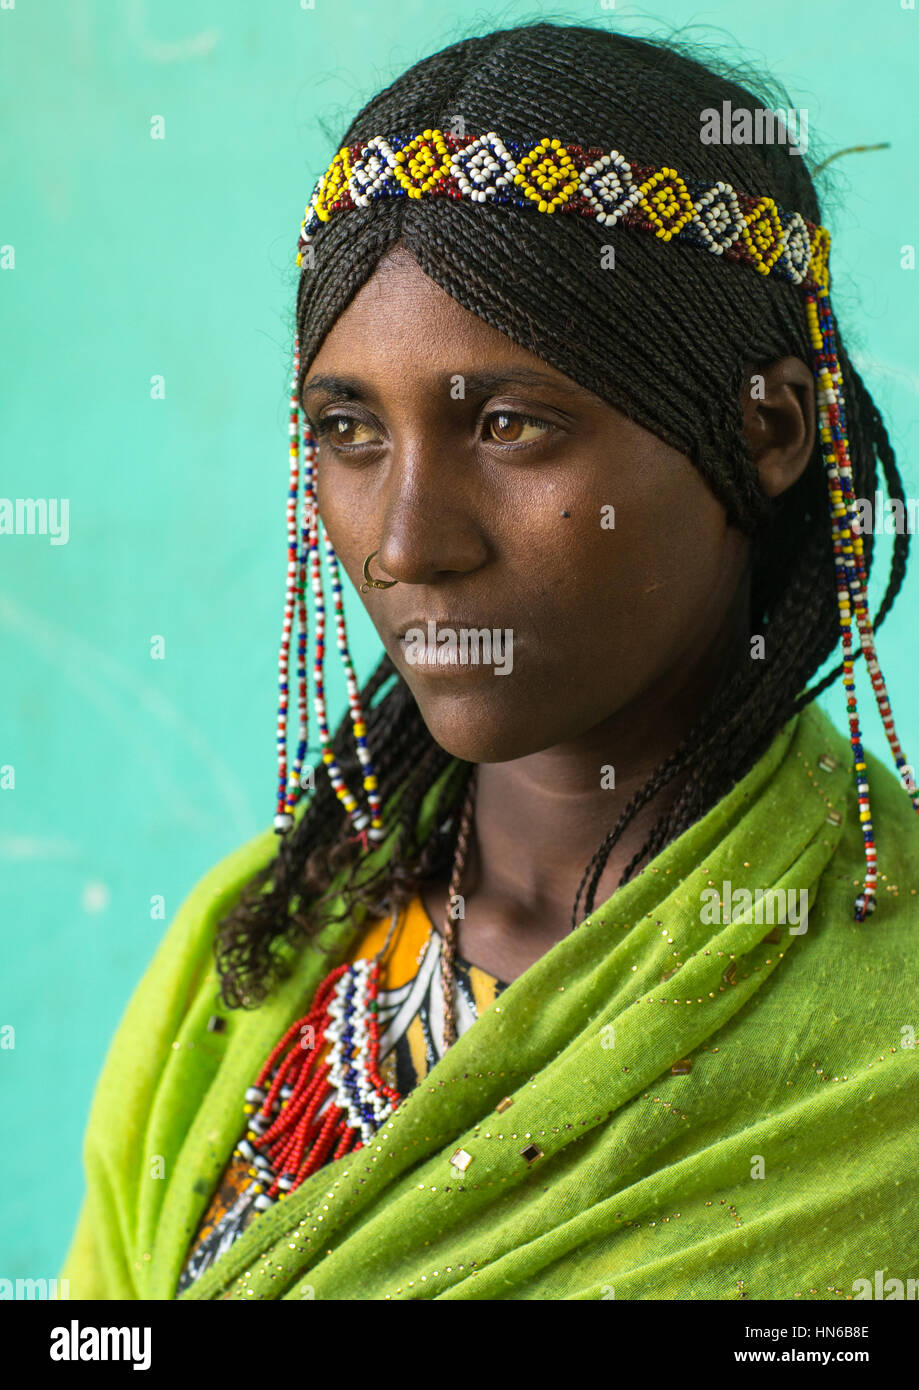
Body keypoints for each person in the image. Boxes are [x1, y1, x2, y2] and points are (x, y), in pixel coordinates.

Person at [60, 20, 919, 1302]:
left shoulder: (882, 1033)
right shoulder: (245, 955)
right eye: (350, 429)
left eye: (510, 425)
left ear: (770, 427)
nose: (407, 541)